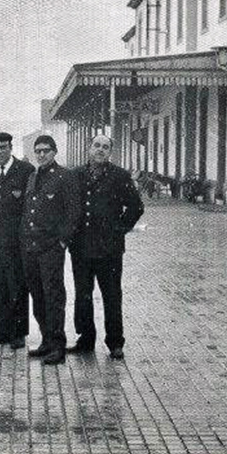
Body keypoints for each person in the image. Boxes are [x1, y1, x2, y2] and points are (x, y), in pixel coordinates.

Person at [67, 134, 144, 359]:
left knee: (111, 295)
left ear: (110, 152)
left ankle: (115, 343)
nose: (100, 150)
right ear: (89, 148)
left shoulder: (119, 176)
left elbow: (136, 207)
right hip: (80, 248)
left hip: (109, 249)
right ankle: (86, 339)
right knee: (83, 295)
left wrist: (119, 229)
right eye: (96, 146)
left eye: (105, 147)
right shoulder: (76, 176)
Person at [20, 135, 80, 365]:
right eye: (38, 151)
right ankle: (46, 340)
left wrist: (62, 242)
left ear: (54, 152)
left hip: (50, 248)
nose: (41, 154)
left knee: (53, 296)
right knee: (38, 296)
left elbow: (73, 212)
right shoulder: (33, 177)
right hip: (31, 246)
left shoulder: (65, 176)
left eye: (46, 150)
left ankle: (58, 346)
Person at [0, 132, 35, 349]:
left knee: (18, 286)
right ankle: (2, 331)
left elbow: (31, 206)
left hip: (17, 242)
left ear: (11, 148)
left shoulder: (26, 170)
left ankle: (19, 333)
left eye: (3, 147)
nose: (0, 152)